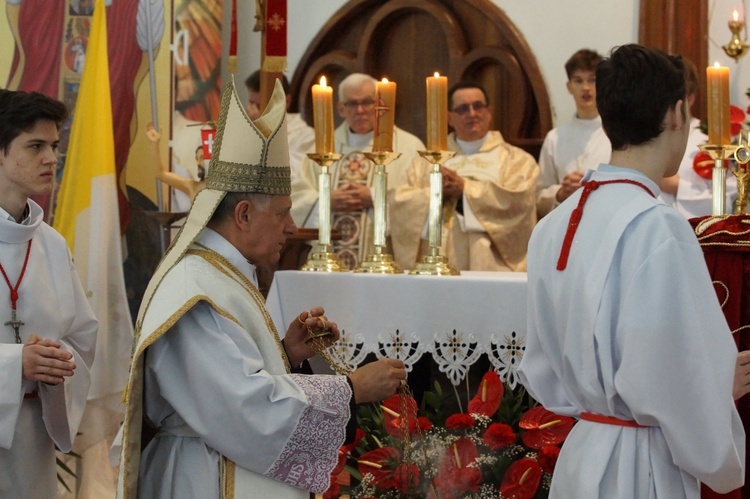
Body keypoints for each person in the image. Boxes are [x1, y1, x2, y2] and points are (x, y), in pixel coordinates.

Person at [116, 78, 407, 498]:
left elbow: (227, 375)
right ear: (244, 214)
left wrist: (285, 354)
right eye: (283, 214)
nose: (292, 228)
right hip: (203, 478)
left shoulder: (222, 274)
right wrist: (350, 389)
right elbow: (237, 406)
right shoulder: (192, 288)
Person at [517, 44, 746, 497]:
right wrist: (718, 384)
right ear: (678, 113)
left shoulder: (553, 224)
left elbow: (541, 365)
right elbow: (672, 374)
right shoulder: (657, 225)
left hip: (582, 454)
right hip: (642, 467)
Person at [0, 89, 98, 497]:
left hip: (32, 441)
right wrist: (15, 363)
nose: (50, 158)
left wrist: (56, 362)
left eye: (54, 146)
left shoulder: (52, 245)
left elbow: (82, 340)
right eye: (35, 146)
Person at [389, 81, 539, 271]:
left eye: (477, 106)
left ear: (489, 112)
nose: (472, 114)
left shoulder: (516, 161)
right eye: (462, 109)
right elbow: (400, 202)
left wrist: (465, 190)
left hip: (488, 263)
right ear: (449, 118)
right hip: (434, 264)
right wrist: (435, 193)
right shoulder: (426, 162)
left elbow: (520, 203)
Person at [292, 73, 426, 270]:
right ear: (341, 109)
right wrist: (325, 201)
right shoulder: (320, 149)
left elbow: (425, 200)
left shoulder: (409, 147)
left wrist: (376, 197)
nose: (360, 110)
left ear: (379, 104)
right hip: (329, 270)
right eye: (352, 104)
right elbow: (295, 198)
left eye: (367, 102)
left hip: (385, 269)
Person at [536, 49, 611, 218]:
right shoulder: (554, 138)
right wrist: (561, 193)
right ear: (569, 87)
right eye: (578, 81)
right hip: (565, 224)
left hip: (605, 220)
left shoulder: (616, 133)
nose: (585, 87)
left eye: (592, 80)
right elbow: (538, 196)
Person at [658, 57, 737, 218]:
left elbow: (729, 198)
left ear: (690, 98)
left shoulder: (708, 141)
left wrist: (679, 187)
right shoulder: (647, 136)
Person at [245, 70, 315, 187]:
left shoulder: (305, 136)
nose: (254, 111)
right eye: (252, 104)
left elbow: (295, 177)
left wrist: (263, 131)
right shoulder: (246, 130)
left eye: (261, 105)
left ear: (286, 102)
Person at [145, 122, 206, 202]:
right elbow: (160, 173)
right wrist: (154, 143)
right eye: (197, 159)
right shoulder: (192, 186)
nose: (198, 163)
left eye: (203, 158)